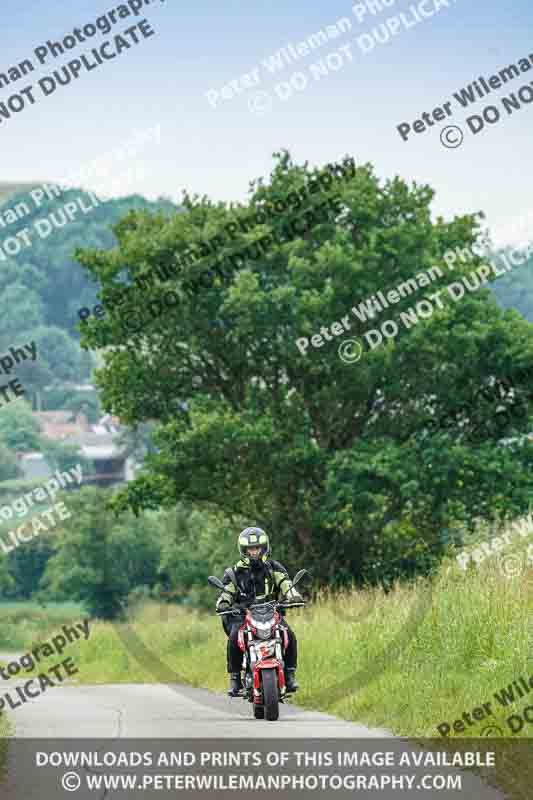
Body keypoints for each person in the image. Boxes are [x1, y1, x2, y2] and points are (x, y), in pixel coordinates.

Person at [215, 526, 303, 697]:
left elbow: (285, 583)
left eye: (257, 548)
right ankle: (235, 678)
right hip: (243, 615)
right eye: (250, 549)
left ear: (264, 548)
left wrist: (294, 596)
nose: (254, 552)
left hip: (271, 612)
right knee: (234, 637)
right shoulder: (234, 572)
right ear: (244, 550)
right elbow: (226, 591)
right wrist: (224, 603)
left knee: (289, 635)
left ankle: (290, 675)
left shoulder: (273, 567)